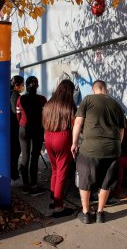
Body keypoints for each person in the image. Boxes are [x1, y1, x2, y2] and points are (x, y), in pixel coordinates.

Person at [71, 80, 126, 224]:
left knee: (85, 180)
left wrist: (74, 143)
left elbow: (77, 122)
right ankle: (100, 213)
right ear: (105, 89)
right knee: (106, 182)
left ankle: (86, 213)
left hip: (90, 149)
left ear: (93, 89)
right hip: (113, 150)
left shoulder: (88, 100)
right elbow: (121, 130)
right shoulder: (117, 105)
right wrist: (116, 145)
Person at [42, 79, 76, 218]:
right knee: (62, 172)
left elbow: (44, 122)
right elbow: (75, 126)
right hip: (63, 137)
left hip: (49, 136)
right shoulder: (69, 105)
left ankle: (53, 200)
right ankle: (58, 207)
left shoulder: (49, 104)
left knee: (55, 170)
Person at [16, 76, 47, 196]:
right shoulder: (42, 99)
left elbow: (18, 116)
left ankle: (25, 186)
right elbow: (45, 116)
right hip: (38, 130)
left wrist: (22, 123)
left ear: (26, 86)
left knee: (25, 157)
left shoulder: (21, 99)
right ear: (37, 86)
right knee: (34, 158)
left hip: (23, 129)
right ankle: (34, 186)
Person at [10, 75, 24, 185]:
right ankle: (14, 175)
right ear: (16, 85)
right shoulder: (15, 95)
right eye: (22, 85)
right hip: (14, 128)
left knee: (12, 152)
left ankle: (12, 173)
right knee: (15, 152)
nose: (23, 87)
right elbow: (16, 112)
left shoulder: (8, 93)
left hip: (9, 127)